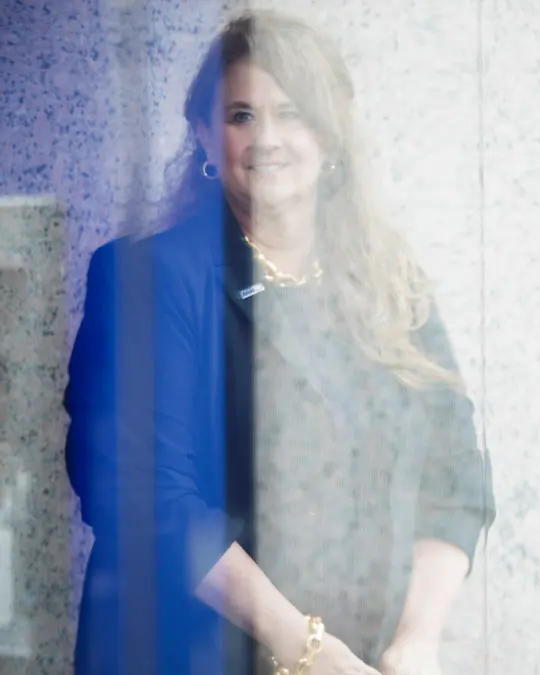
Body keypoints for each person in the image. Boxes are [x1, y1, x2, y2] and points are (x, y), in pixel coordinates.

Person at [64, 11, 494, 675]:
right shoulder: (148, 278)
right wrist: (309, 649)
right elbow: (152, 500)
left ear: (332, 136)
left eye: (292, 112)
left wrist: (416, 639)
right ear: (205, 135)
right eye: (240, 115)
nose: (267, 137)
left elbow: (456, 473)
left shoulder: (389, 281)